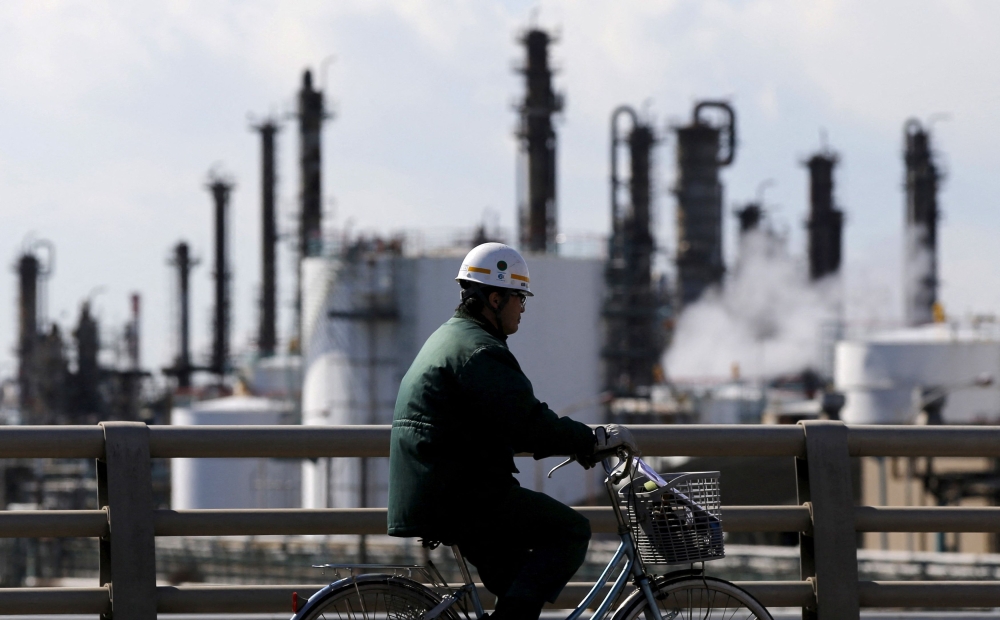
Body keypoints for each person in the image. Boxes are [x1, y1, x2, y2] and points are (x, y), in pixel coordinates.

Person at [388, 242, 637, 620]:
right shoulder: (481, 352)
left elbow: (509, 421)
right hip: (460, 493)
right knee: (570, 531)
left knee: (517, 577)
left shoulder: (453, 338)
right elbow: (527, 424)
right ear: (494, 299)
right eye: (519, 298)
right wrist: (591, 440)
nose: (523, 307)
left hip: (440, 486)